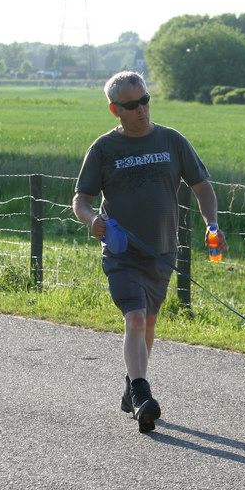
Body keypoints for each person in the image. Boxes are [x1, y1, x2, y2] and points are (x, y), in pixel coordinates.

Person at [73, 71, 227, 433]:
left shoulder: (171, 140)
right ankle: (142, 394)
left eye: (144, 100)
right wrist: (92, 219)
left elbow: (202, 187)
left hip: (162, 251)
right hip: (122, 252)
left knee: (150, 322)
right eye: (131, 105)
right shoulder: (104, 148)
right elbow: (81, 199)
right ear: (115, 109)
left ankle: (131, 386)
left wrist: (212, 224)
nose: (141, 109)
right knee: (136, 319)